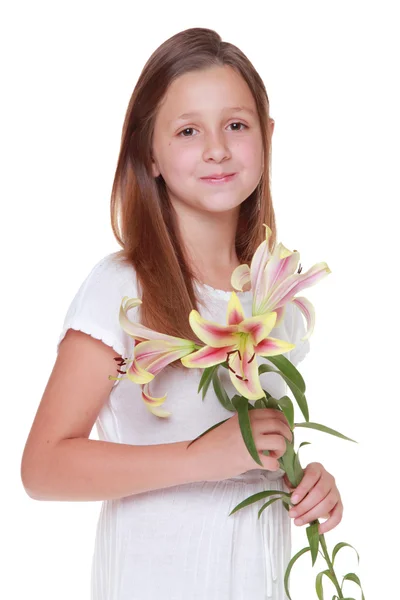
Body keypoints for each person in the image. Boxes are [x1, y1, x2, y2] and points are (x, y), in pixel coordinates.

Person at [20, 27, 343, 600]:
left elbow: (258, 452)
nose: (217, 148)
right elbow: (43, 468)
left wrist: (303, 482)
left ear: (266, 138)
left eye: (236, 125)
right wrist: (202, 458)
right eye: (189, 130)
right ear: (150, 152)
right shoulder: (125, 287)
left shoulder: (277, 299)